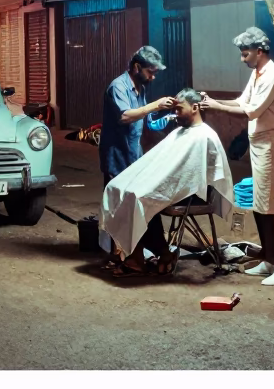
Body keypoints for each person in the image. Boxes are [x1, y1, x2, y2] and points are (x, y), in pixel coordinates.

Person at [102, 88, 234, 277]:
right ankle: (158, 254)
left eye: (179, 109)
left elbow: (197, 175)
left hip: (193, 195)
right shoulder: (181, 132)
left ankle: (139, 258)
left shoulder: (205, 136)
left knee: (140, 197)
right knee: (118, 188)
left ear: (195, 107)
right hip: (179, 189)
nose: (175, 113)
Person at [202, 26, 274, 286]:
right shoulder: (258, 73)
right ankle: (269, 259)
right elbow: (242, 101)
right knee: (259, 203)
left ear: (260, 51)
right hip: (259, 144)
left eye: (245, 54)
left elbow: (252, 111)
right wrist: (213, 100)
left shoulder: (273, 76)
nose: (243, 59)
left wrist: (216, 106)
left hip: (272, 144)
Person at [98, 46, 177, 255]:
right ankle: (118, 253)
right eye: (150, 72)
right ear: (136, 66)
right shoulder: (118, 87)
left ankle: (145, 249)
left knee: (140, 204)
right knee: (118, 207)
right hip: (117, 157)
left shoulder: (141, 88)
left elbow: (148, 122)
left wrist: (170, 118)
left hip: (134, 157)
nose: (152, 77)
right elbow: (125, 116)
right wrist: (155, 105)